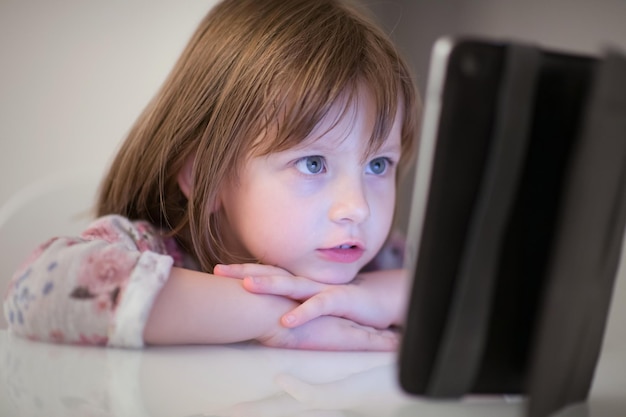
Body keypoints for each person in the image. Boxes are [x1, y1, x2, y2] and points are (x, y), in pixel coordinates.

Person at [3, 0, 419, 350]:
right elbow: (35, 291)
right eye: (313, 163)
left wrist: (383, 295)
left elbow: (481, 300)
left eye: (377, 165)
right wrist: (281, 315)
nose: (358, 207)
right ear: (207, 178)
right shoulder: (156, 250)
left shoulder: (383, 260)